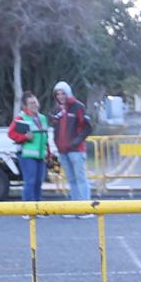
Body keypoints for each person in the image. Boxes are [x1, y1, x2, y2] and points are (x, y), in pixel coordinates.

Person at [52, 81, 94, 211]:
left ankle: (86, 207)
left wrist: (77, 141)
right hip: (63, 150)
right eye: (58, 94)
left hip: (76, 150)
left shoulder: (78, 107)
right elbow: (55, 128)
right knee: (71, 180)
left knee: (80, 178)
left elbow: (87, 127)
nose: (60, 96)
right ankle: (75, 207)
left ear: (68, 93)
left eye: (63, 93)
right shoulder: (56, 110)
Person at [9, 92, 50, 202]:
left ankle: (37, 207)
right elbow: (11, 134)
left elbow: (45, 137)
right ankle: (27, 209)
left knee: (38, 182)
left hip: (41, 155)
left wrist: (48, 154)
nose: (34, 104)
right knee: (30, 181)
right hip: (27, 155)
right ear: (25, 106)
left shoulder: (42, 118)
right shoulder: (21, 117)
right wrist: (24, 137)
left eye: (35, 102)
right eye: (31, 103)